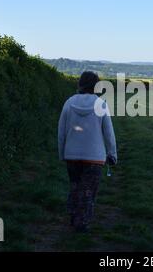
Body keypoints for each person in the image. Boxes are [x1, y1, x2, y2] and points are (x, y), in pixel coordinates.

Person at [58, 71, 117, 233]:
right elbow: (109, 133)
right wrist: (112, 154)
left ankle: (73, 215)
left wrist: (62, 153)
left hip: (71, 156)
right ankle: (81, 223)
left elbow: (61, 132)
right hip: (94, 158)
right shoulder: (101, 104)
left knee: (75, 186)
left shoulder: (69, 103)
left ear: (80, 84)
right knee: (88, 191)